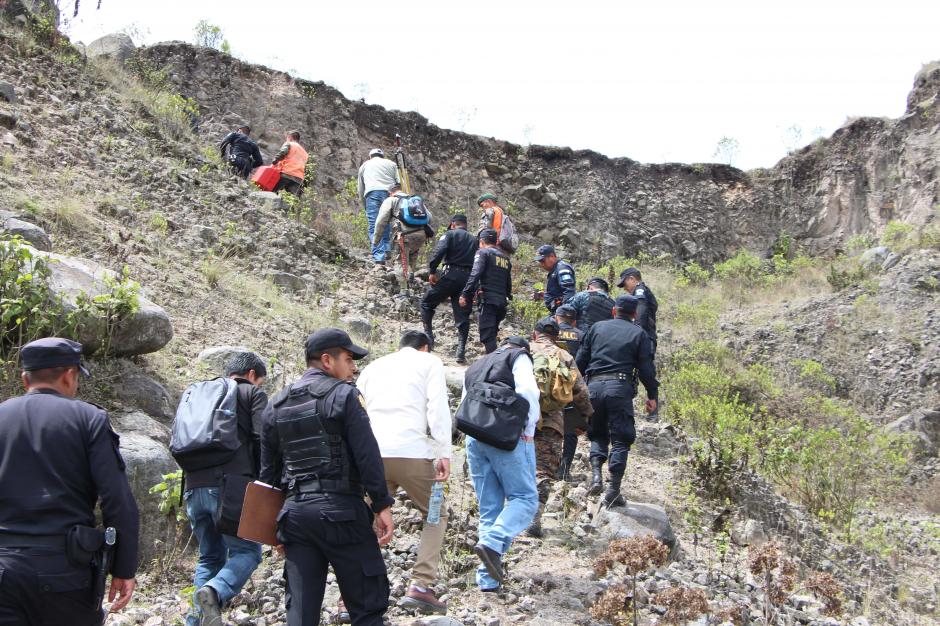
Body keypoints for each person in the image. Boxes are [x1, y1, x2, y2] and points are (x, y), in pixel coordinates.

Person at [260, 329, 395, 626]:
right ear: (326, 361)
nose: (353, 367)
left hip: (294, 517)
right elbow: (367, 454)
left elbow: (268, 474)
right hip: (341, 513)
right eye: (348, 359)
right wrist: (381, 505)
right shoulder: (345, 395)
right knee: (367, 607)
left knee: (300, 614)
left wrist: (275, 528)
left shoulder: (276, 405)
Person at [0, 337, 139, 625]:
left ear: (25, 379)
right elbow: (117, 499)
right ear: (68, 375)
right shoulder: (89, 419)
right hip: (64, 573)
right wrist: (123, 568)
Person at [357, 331, 452, 614]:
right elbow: (437, 407)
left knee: (366, 518)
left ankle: (353, 591)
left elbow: (358, 409)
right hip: (413, 454)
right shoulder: (429, 362)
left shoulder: (373, 367)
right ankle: (421, 585)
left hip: (373, 457)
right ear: (424, 347)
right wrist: (443, 451)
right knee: (436, 514)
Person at [184, 352, 269, 626]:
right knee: (247, 553)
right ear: (253, 375)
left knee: (209, 556)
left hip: (193, 485)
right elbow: (262, 439)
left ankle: (196, 621)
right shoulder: (250, 393)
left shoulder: (200, 395)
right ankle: (216, 590)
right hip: (231, 487)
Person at [462, 336, 540, 591]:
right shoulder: (519, 357)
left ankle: (487, 581)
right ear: (523, 348)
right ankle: (494, 542)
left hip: (474, 437)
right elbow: (528, 392)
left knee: (489, 509)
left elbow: (466, 399)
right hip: (506, 437)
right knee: (525, 499)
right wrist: (528, 429)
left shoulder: (479, 362)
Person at [575, 296, 659, 507]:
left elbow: (580, 361)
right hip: (619, 388)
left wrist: (574, 390)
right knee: (621, 437)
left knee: (597, 432)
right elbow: (646, 370)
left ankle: (596, 476)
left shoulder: (596, 328)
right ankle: (613, 489)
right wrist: (652, 395)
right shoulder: (639, 334)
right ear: (634, 315)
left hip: (593, 388)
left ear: (614, 311)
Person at [526, 317, 593, 537]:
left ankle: (509, 515)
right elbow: (580, 391)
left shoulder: (523, 350)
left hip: (519, 420)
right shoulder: (564, 355)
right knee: (543, 470)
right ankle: (534, 518)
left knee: (516, 465)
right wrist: (586, 418)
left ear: (535, 334)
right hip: (551, 423)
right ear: (556, 337)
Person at [421, 214, 478, 363]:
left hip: (451, 275)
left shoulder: (449, 234)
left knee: (426, 303)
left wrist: (432, 271)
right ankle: (461, 351)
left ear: (453, 224)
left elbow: (439, 252)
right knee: (462, 316)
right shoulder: (475, 240)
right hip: (467, 279)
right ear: (465, 225)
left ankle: (429, 339)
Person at [459, 229, 512, 354]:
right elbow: (508, 283)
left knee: (487, 336)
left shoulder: (483, 253)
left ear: (482, 241)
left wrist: (465, 294)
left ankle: (493, 366)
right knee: (492, 334)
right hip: (501, 302)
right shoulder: (505, 258)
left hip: (488, 301)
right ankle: (492, 362)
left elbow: (475, 274)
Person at [372, 183, 432, 285]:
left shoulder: (391, 200)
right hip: (421, 235)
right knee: (411, 259)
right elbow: (430, 217)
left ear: (390, 193)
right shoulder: (414, 200)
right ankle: (410, 281)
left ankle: (403, 291)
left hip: (404, 236)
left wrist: (376, 240)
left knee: (399, 262)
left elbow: (380, 221)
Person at [357, 148, 401, 264]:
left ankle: (379, 257)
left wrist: (364, 204)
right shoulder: (392, 164)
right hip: (391, 194)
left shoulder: (365, 165)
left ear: (370, 156)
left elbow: (361, 188)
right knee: (387, 223)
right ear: (382, 156)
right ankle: (387, 251)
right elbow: (399, 182)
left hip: (373, 193)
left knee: (374, 224)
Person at [617, 268, 658, 359]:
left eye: (624, 283)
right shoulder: (642, 291)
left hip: (644, 338)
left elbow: (641, 312)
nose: (624, 287)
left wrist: (636, 334)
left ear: (632, 279)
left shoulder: (640, 290)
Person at [535, 245, 576, 313]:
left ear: (552, 256)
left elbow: (569, 293)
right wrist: (544, 296)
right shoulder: (555, 269)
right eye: (540, 262)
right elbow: (557, 293)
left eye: (543, 261)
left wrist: (563, 314)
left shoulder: (562, 268)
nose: (542, 264)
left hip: (562, 314)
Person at [271, 130, 309, 197]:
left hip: (287, 173)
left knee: (273, 192)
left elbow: (282, 152)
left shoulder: (290, 144)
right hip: (298, 178)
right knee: (291, 200)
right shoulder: (305, 153)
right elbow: (306, 168)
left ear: (290, 137)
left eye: (287, 138)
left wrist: (274, 161)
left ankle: (268, 206)